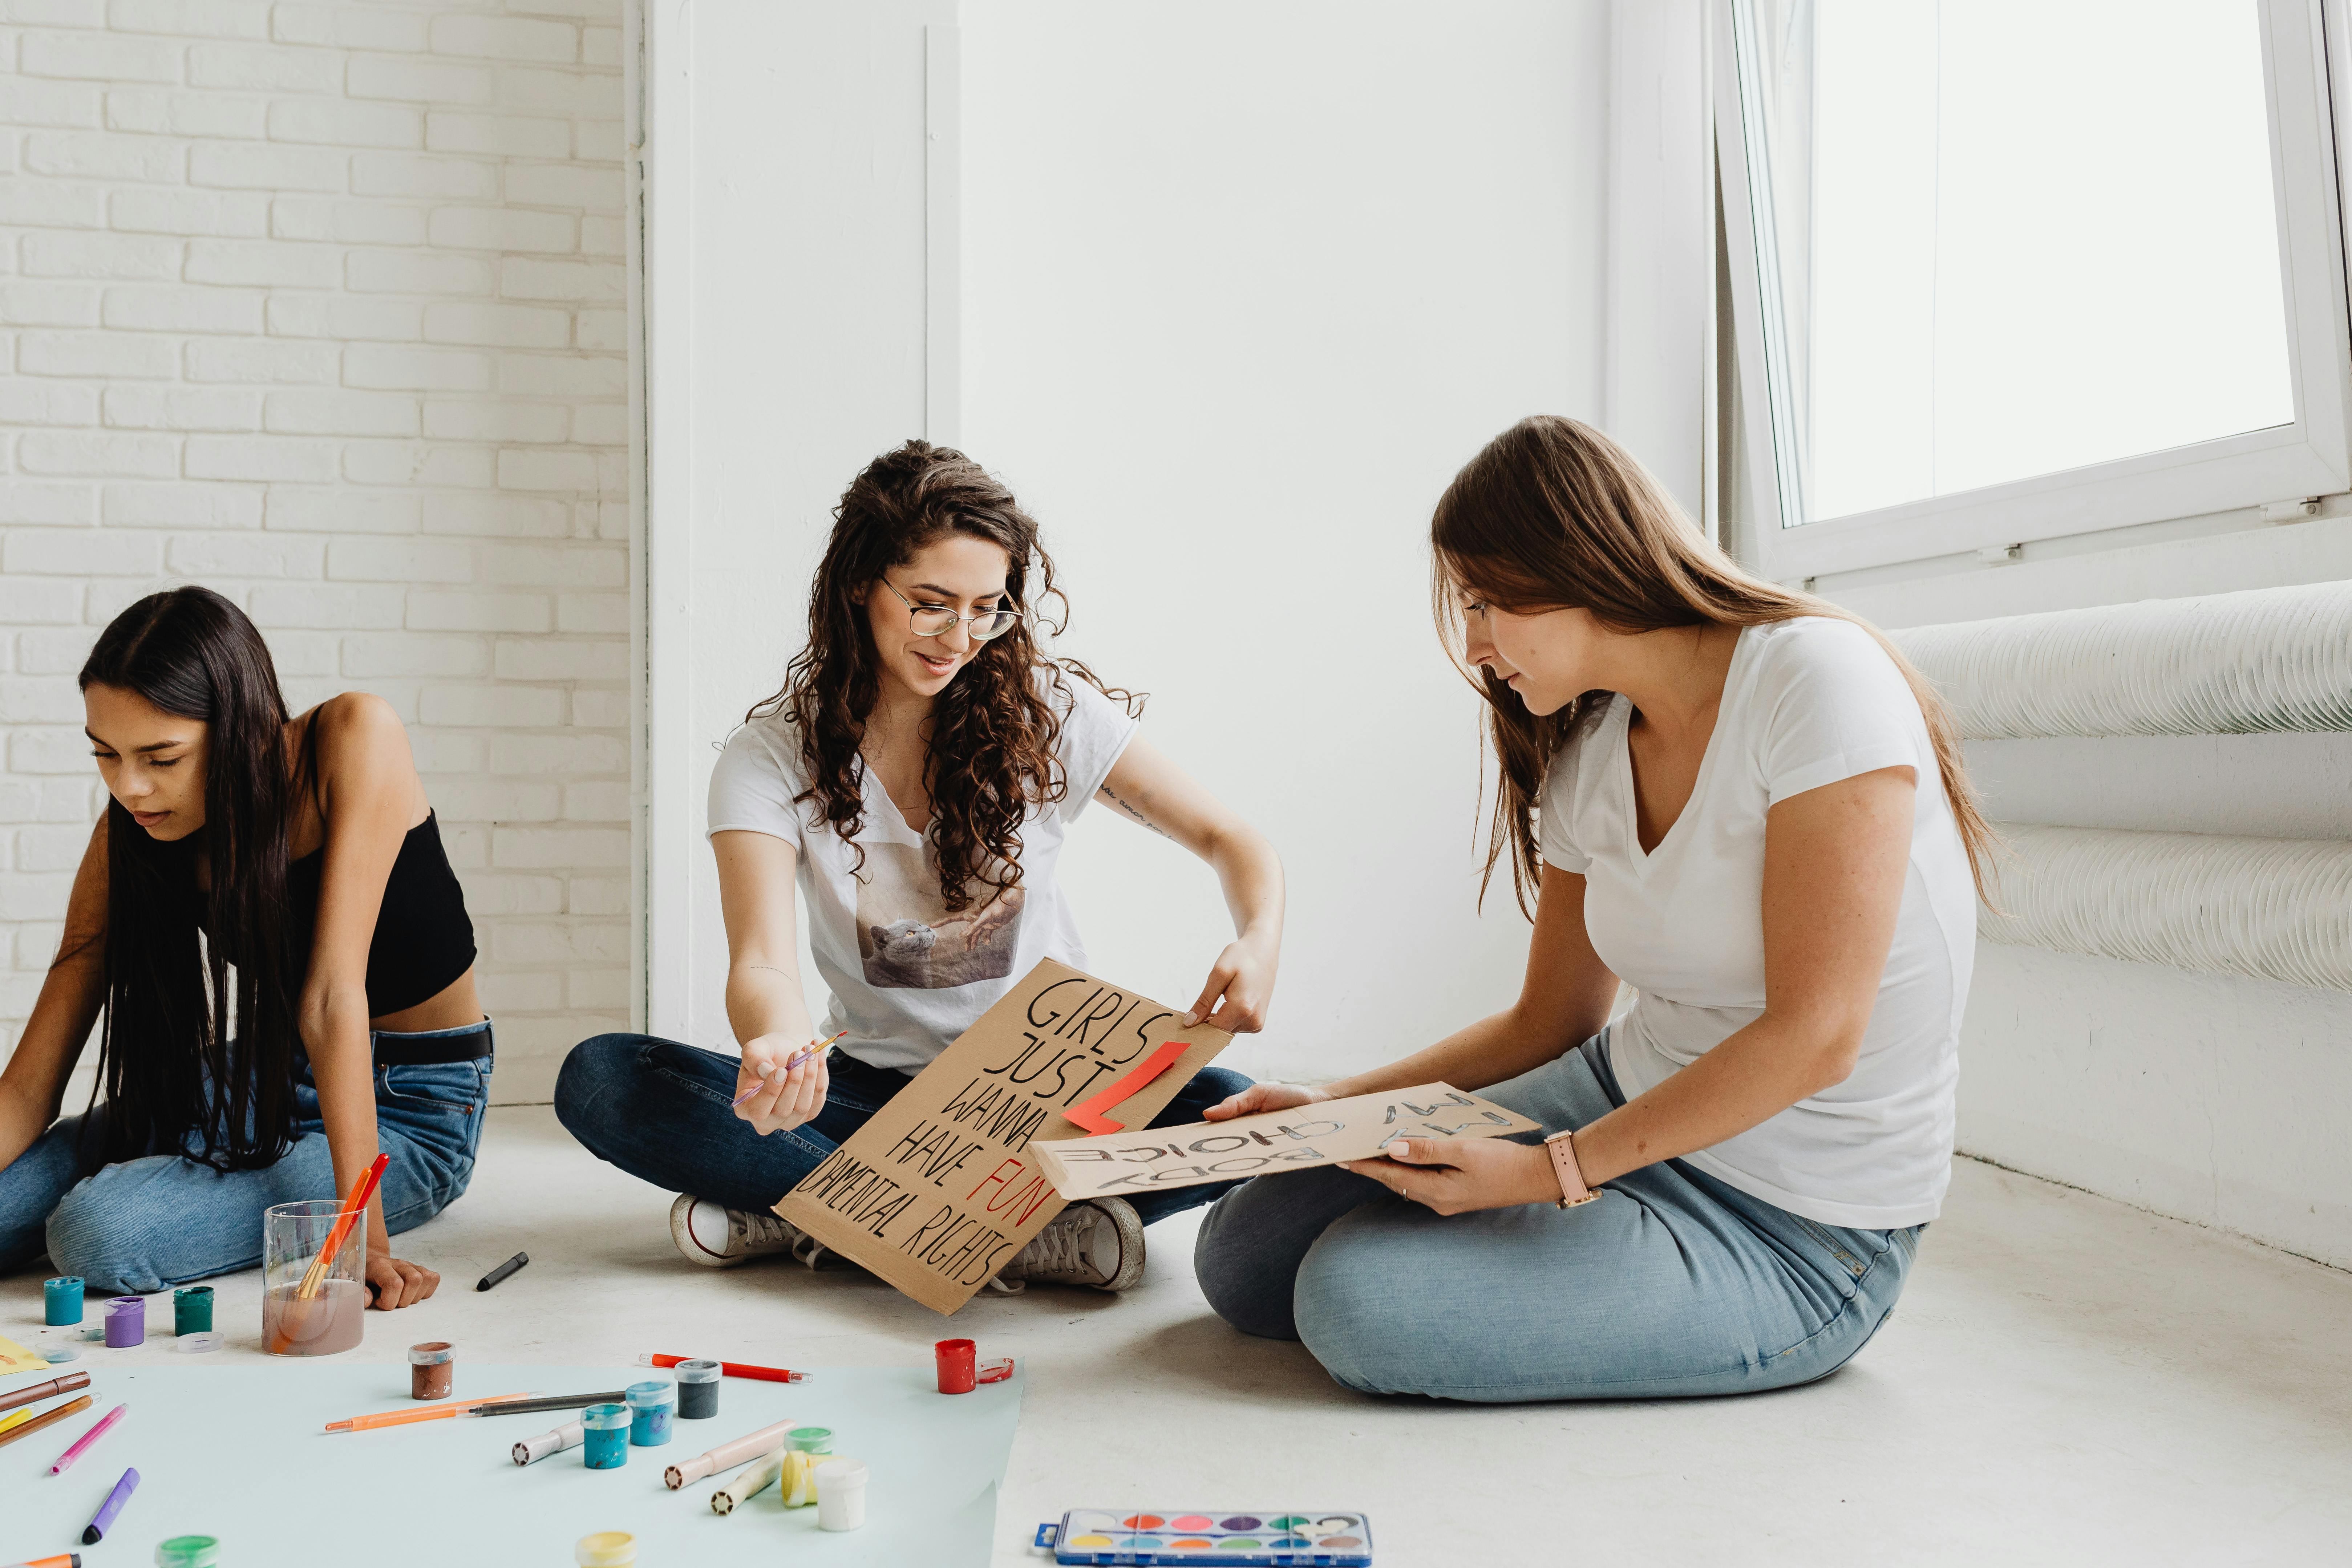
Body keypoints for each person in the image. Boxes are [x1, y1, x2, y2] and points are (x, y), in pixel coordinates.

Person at [1194, 415, 1990, 1398]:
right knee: (1244, 1253)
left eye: (1485, 603)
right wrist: (1333, 1102)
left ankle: (1608, 1234)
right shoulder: (1588, 749)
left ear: (1577, 563)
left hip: (1796, 1221)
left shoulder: (1813, 681)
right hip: (1623, 1093)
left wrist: (1548, 1173)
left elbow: (1817, 1034)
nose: (1476, 645)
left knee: (1353, 1301)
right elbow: (1550, 1019)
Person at [556, 440, 1283, 1292]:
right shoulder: (768, 759)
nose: (960, 638)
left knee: (1233, 1102)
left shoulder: (1047, 714)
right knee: (606, 1078)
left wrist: (1259, 937)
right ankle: (1014, 1228)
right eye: (932, 604)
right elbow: (760, 960)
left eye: (988, 609)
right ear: (861, 583)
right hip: (873, 1098)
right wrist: (778, 1041)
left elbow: (1231, 837)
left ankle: (807, 1213)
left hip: (1048, 1102)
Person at [0, 587, 491, 1305]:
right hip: (257, 1078)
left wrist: (363, 1238)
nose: (130, 787)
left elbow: (330, 998)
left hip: (410, 1109)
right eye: (106, 753)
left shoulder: (353, 736)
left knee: (94, 1234)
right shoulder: (136, 831)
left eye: (161, 756)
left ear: (238, 728)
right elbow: (27, 1086)